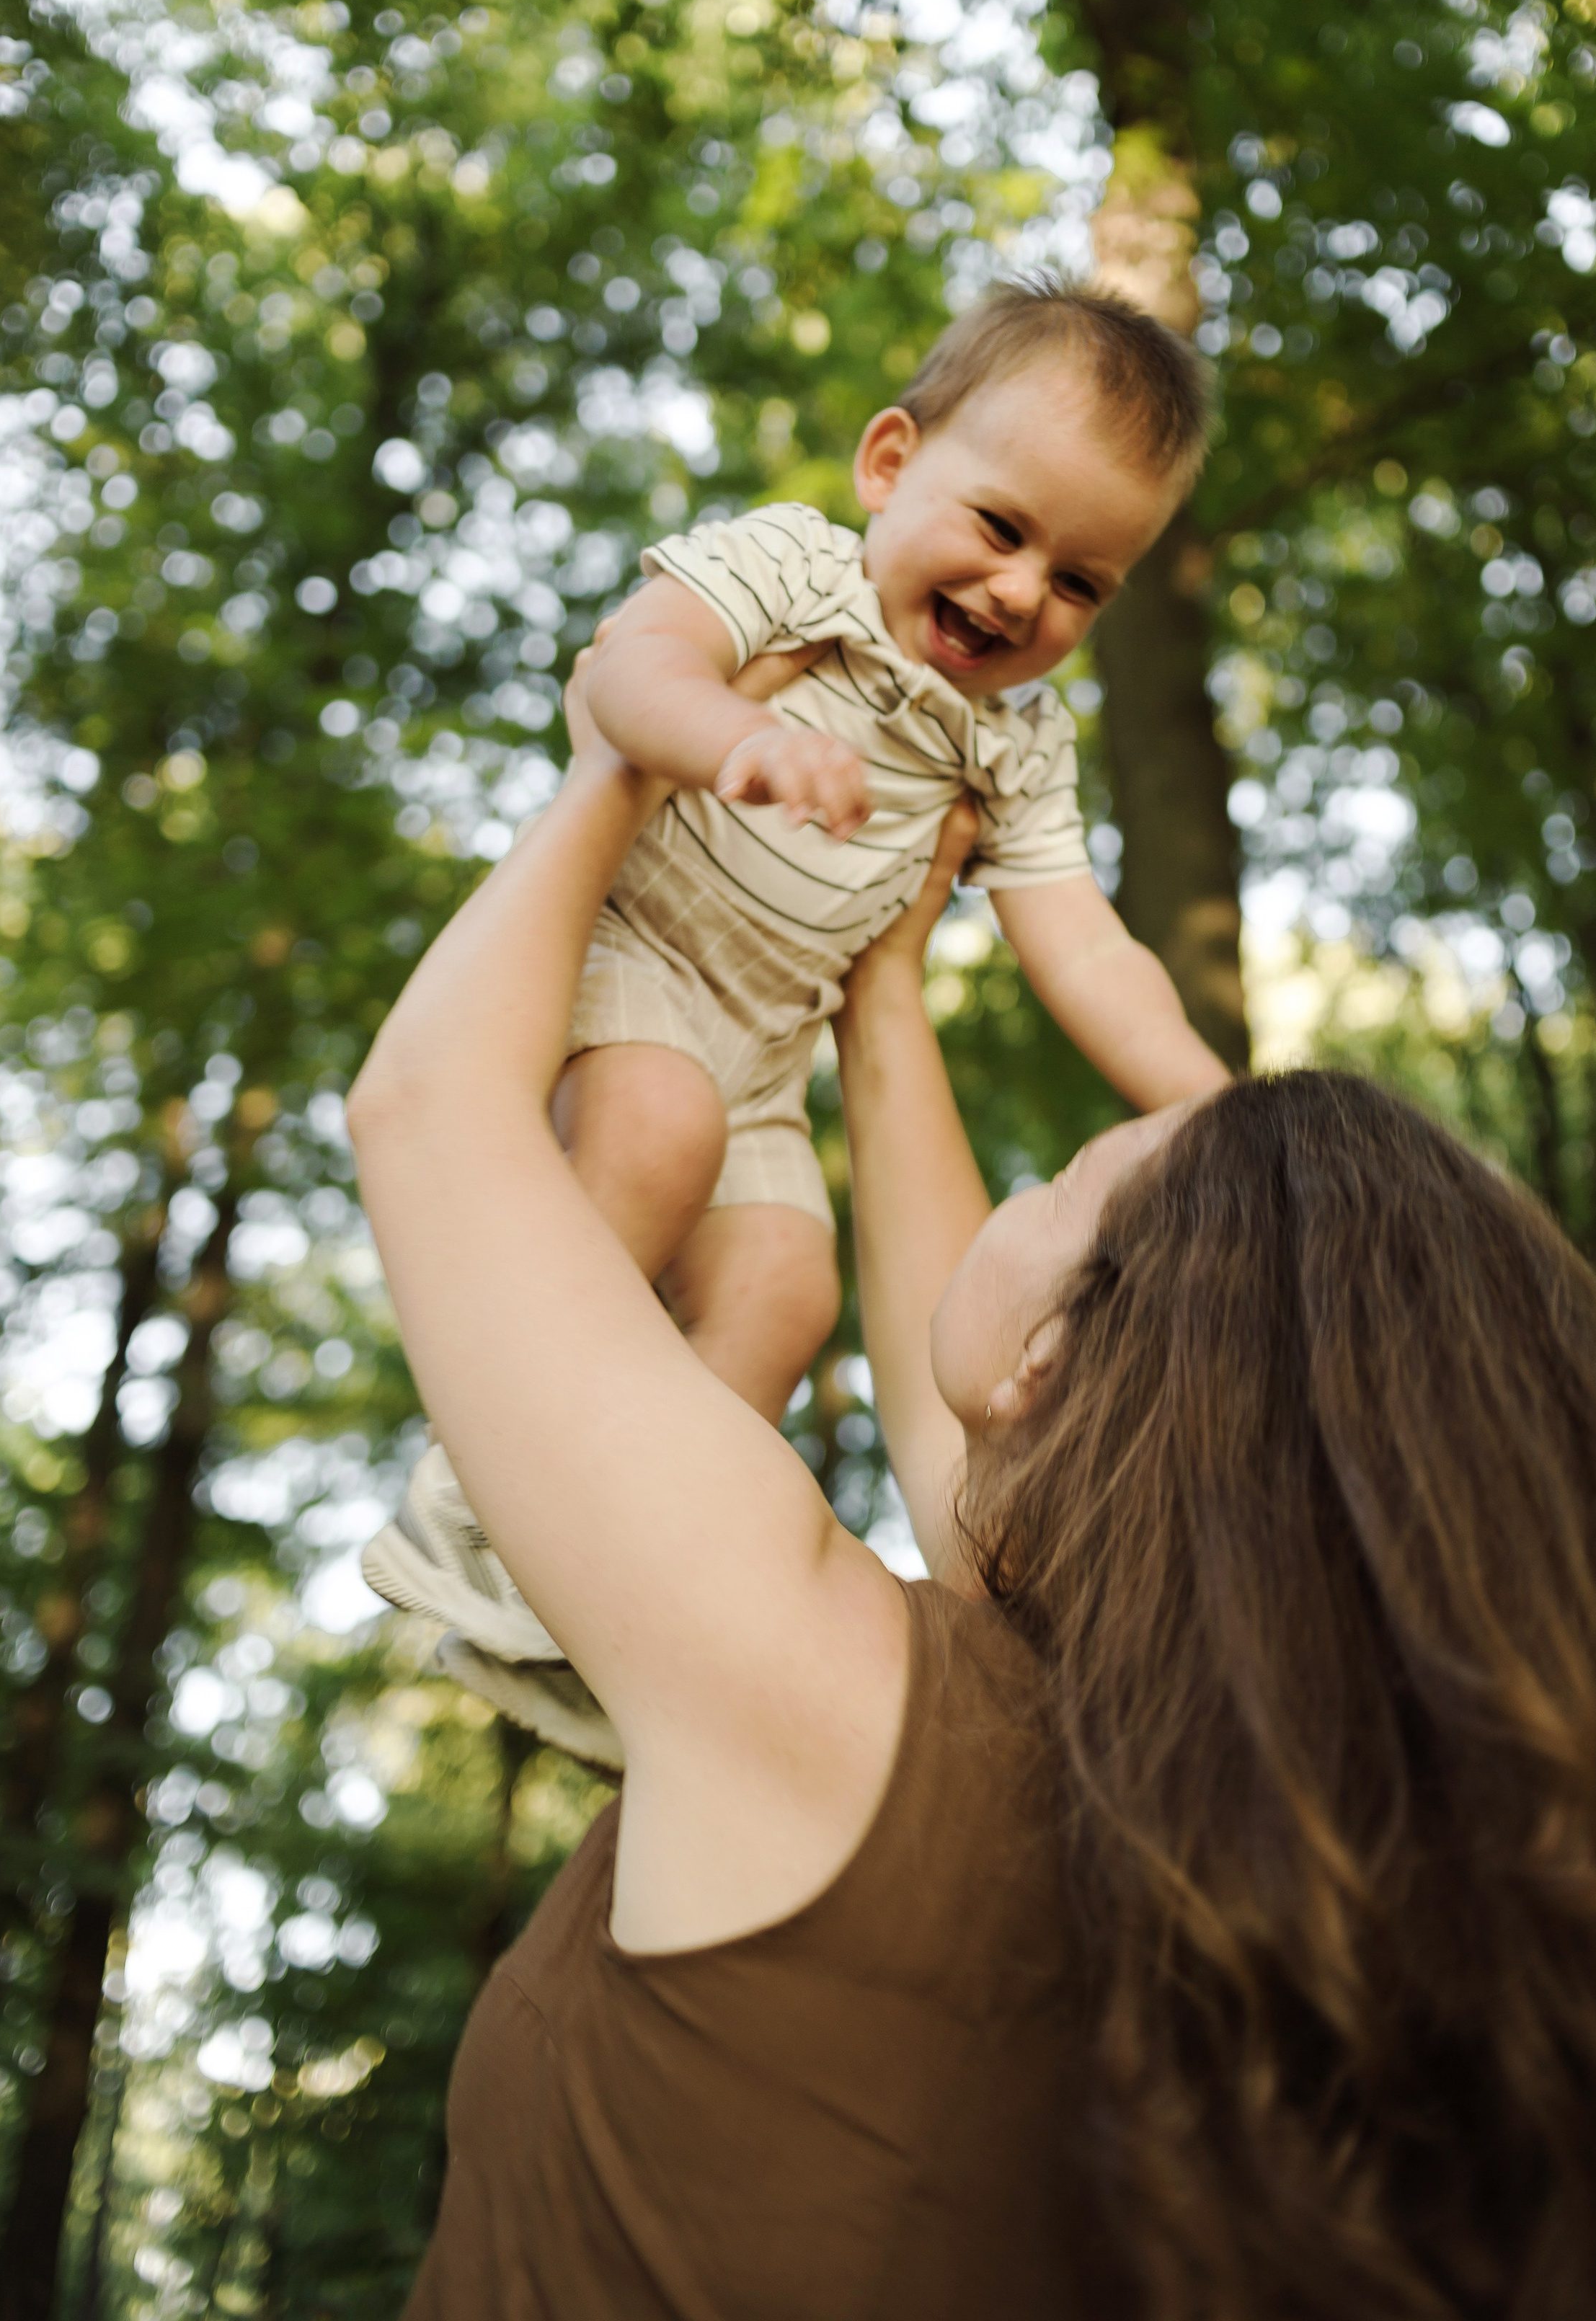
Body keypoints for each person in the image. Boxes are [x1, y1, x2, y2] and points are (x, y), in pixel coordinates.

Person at [350, 660, 1596, 2321]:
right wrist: (881, 984)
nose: (1023, 1184)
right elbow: (957, 1403)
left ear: (1051, 1351)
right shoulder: (1258, 1860)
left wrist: (630, 749)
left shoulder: (829, 1689)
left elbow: (428, 1112)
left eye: (1061, 1176)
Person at [362, 278, 1228, 1749]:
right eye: (1001, 530)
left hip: (760, 1055)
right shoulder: (794, 570)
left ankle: (603, 1565)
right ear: (888, 466)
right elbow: (629, 669)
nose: (1023, 594)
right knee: (652, 1124)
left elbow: (1082, 946)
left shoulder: (1016, 746)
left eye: (1079, 582)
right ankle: (474, 1496)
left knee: (783, 1289)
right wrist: (737, 735)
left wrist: (1215, 1114)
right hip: (629, 951)